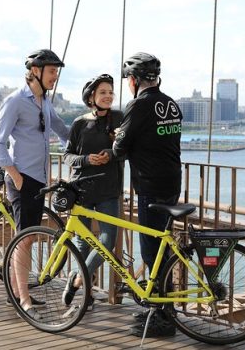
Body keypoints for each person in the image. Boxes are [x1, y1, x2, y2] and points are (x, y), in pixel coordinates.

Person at [0, 49, 69, 320]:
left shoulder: (44, 102)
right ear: (35, 71)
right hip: (23, 178)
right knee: (24, 239)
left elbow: (64, 131)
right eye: (51, 71)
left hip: (38, 179)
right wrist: (16, 175)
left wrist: (95, 141)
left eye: (56, 72)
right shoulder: (15, 101)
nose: (55, 76)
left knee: (27, 237)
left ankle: (17, 290)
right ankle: (23, 298)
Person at [112, 52, 183, 338]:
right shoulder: (171, 104)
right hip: (172, 182)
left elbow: (119, 148)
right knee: (162, 248)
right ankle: (161, 308)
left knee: (151, 250)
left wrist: (118, 135)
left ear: (133, 80)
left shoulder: (139, 105)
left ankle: (162, 316)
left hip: (149, 185)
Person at [61, 74, 124, 310]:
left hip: (109, 190)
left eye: (110, 92)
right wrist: (87, 159)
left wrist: (112, 154)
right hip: (82, 190)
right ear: (91, 98)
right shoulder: (79, 123)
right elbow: (67, 156)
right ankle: (86, 293)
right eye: (103, 93)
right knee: (83, 243)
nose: (108, 96)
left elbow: (128, 150)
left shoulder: (120, 119)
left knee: (107, 241)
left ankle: (78, 280)